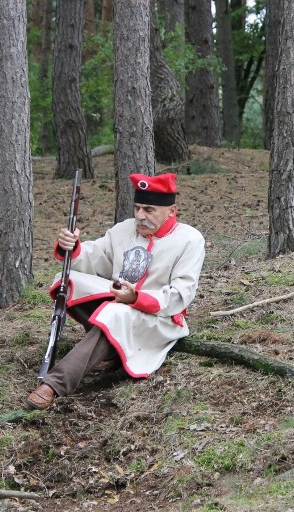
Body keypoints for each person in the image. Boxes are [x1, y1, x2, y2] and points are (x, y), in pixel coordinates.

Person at [26, 172, 205, 410]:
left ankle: (55, 384)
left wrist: (136, 298)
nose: (140, 216)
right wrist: (73, 247)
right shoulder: (124, 230)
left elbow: (182, 294)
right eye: (138, 208)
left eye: (149, 210)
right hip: (118, 302)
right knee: (67, 280)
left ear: (171, 211)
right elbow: (96, 258)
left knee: (115, 314)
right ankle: (110, 350)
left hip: (158, 318)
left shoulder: (190, 240)